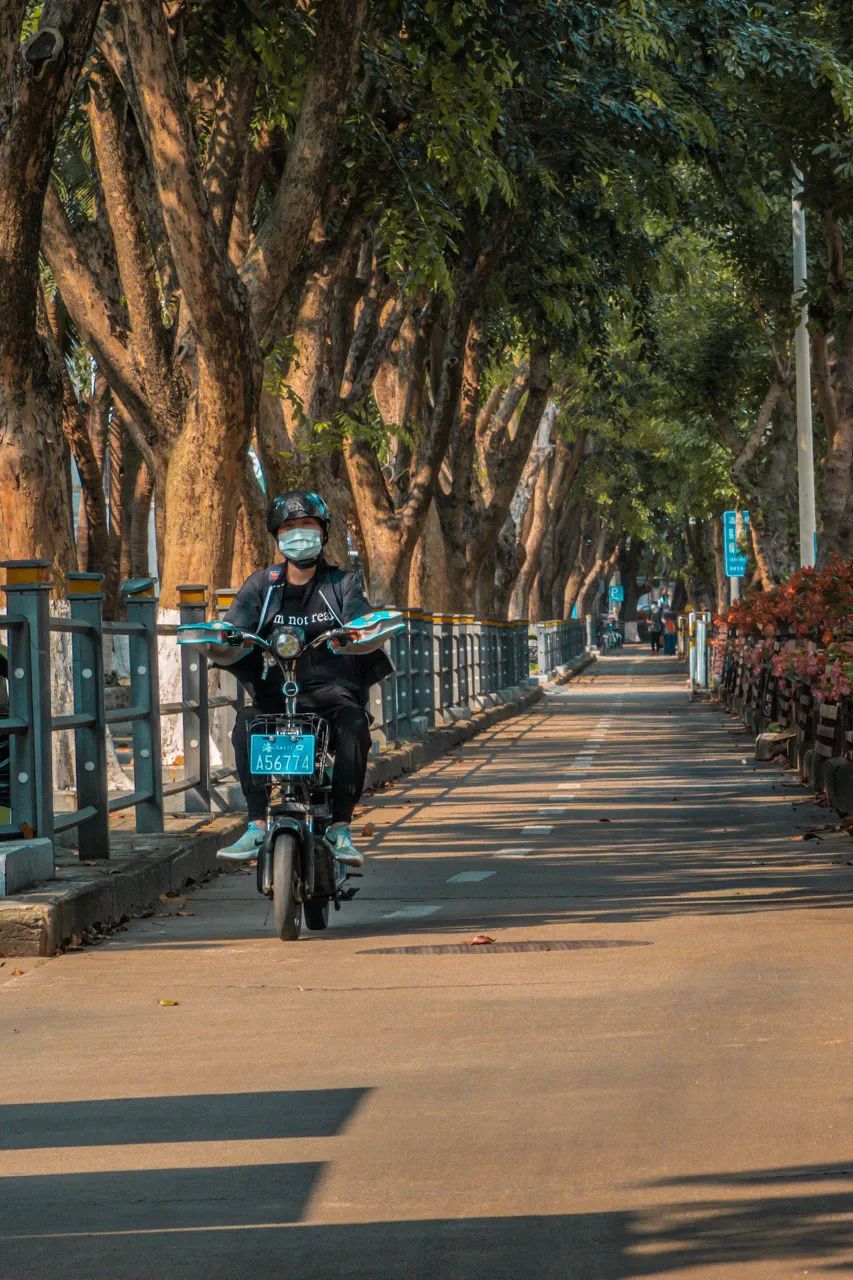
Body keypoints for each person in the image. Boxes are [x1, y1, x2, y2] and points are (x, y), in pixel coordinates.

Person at [210, 491, 392, 868]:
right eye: (290, 527)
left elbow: (361, 621)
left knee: (355, 726)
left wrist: (358, 632)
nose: (299, 534)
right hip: (275, 696)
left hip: (332, 696)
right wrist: (224, 637)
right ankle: (256, 823)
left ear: (323, 533)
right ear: (277, 537)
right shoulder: (262, 584)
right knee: (245, 726)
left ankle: (341, 826)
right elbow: (233, 628)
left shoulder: (342, 584)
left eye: (307, 525)